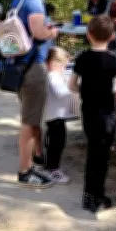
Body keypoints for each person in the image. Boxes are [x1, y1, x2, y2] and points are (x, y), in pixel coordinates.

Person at [68, 15, 116, 213]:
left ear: (89, 34)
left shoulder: (82, 58)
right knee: (102, 157)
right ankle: (97, 195)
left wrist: (85, 90)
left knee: (92, 153)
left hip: (88, 112)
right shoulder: (113, 60)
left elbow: (72, 85)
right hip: (106, 115)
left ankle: (88, 194)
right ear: (112, 37)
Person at [13, 0, 59, 188]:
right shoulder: (34, 0)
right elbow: (38, 32)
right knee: (30, 121)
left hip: (21, 65)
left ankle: (32, 162)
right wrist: (52, 32)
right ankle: (25, 171)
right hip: (33, 66)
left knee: (30, 119)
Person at [44, 47, 73, 185]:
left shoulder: (50, 74)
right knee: (57, 142)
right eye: (63, 66)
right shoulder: (53, 76)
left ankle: (51, 166)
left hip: (53, 114)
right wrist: (72, 89)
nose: (64, 68)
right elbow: (62, 94)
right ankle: (53, 169)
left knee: (54, 141)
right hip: (55, 116)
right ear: (54, 63)